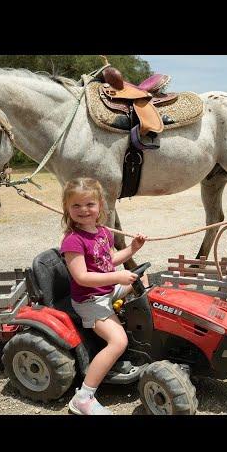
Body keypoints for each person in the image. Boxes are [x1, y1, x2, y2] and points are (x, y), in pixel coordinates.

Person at [59, 177, 148, 415]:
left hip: (107, 291)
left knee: (144, 281)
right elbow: (83, 278)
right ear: (67, 208)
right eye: (76, 205)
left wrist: (132, 250)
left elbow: (108, 261)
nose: (83, 210)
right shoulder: (73, 241)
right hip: (89, 300)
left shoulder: (103, 232)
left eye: (89, 204)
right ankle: (84, 396)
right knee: (118, 341)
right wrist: (117, 278)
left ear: (100, 206)